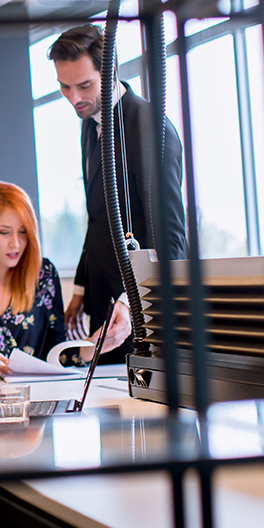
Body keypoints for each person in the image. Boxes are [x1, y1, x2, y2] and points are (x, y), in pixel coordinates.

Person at [47, 24, 187, 362]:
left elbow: (171, 241)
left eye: (84, 86)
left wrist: (130, 302)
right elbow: (99, 217)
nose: (74, 98)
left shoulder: (149, 128)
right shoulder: (90, 122)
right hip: (104, 304)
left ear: (110, 73)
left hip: (142, 313)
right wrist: (80, 287)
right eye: (64, 87)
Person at [0, 181, 127, 378]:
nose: (16, 243)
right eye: (4, 232)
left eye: (23, 232)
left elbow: (56, 354)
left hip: (36, 397)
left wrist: (93, 346)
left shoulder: (44, 274)